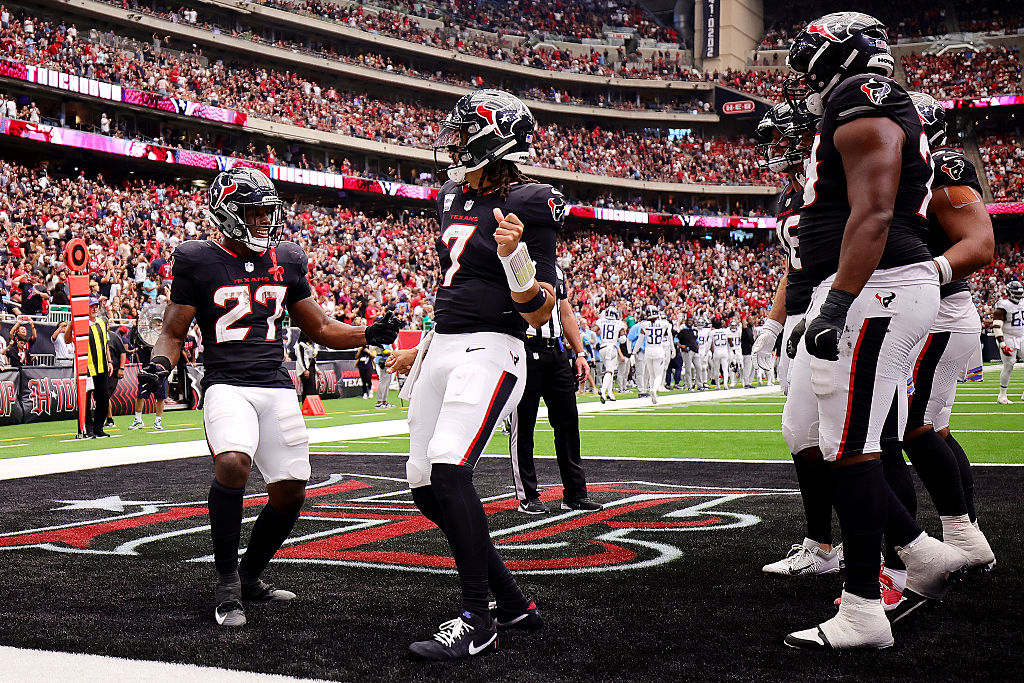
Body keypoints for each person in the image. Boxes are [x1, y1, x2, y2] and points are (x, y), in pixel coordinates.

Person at [137, 167, 400, 628]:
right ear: (227, 213)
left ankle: (251, 575)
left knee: (291, 490)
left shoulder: (287, 259)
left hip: (276, 384)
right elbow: (172, 331)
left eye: (267, 212)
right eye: (254, 212)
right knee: (233, 462)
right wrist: (160, 365)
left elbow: (320, 327)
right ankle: (226, 584)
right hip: (226, 382)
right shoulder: (198, 260)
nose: (265, 221)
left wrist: (366, 332)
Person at [781, 12, 969, 650]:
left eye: (808, 57)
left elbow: (877, 208)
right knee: (834, 437)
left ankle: (864, 610)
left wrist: (836, 301)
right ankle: (921, 553)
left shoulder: (866, 98)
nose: (802, 70)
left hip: (877, 288)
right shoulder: (857, 102)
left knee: (854, 449)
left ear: (835, 55)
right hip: (877, 287)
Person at [386, 90, 558, 660]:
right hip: (445, 346)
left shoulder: (533, 202)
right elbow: (455, 286)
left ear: (494, 138)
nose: (454, 142)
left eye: (463, 132)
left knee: (449, 470)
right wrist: (426, 345)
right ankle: (510, 601)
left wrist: (516, 262)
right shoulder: (453, 194)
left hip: (494, 348)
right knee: (422, 485)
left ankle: (476, 616)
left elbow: (540, 311)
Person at [895, 91, 995, 572]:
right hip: (938, 313)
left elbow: (979, 245)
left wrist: (922, 273)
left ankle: (958, 535)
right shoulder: (912, 172)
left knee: (909, 427)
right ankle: (968, 531)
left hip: (940, 313)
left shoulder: (945, 168)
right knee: (934, 428)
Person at [752, 101, 842, 578]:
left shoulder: (831, 176)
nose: (772, 149)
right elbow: (794, 266)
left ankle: (898, 548)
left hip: (835, 309)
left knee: (846, 437)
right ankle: (823, 544)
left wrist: (826, 310)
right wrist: (773, 324)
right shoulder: (791, 194)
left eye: (780, 138)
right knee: (802, 432)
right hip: (804, 313)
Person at [508, 265, 603, 514]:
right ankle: (527, 494)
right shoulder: (515, 260)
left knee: (568, 423)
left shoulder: (555, 269)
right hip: (525, 348)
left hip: (557, 350)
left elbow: (565, 312)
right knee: (524, 425)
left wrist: (580, 352)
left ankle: (575, 493)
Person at [65, 297, 111, 438]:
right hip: (86, 368)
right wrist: (72, 325)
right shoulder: (80, 324)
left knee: (103, 397)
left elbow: (105, 343)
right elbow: (67, 340)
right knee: (85, 399)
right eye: (92, 306)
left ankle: (98, 427)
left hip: (101, 366)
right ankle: (87, 428)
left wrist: (109, 361)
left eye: (96, 306)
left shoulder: (102, 323)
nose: (94, 308)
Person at [993, 280, 1023, 404]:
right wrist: (1002, 343)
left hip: (1022, 336)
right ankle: (1002, 395)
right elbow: (996, 326)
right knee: (1009, 366)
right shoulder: (1003, 305)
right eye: (1016, 293)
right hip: (1008, 337)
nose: (1019, 296)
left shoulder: (1022, 302)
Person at [640, 306, 673, 404]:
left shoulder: (643, 324)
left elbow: (640, 339)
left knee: (651, 374)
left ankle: (652, 391)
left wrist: (633, 351)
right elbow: (667, 334)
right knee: (659, 374)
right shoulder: (664, 324)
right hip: (658, 350)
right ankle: (654, 389)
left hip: (648, 350)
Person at [595, 306, 626, 401]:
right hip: (611, 348)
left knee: (610, 370)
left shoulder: (601, 321)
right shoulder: (619, 323)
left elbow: (594, 330)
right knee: (609, 371)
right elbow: (623, 339)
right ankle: (603, 390)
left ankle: (610, 393)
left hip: (602, 347)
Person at [105, 323, 128, 428]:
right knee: (103, 396)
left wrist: (121, 368)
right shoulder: (96, 336)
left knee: (105, 395)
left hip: (113, 371)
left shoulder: (114, 337)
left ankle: (109, 419)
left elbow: (122, 353)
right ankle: (108, 419)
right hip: (100, 370)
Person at [294, 331, 318, 402]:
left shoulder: (309, 344)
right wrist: (305, 370)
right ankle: (308, 405)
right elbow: (300, 358)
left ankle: (308, 406)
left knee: (311, 387)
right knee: (308, 387)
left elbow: (312, 358)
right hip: (305, 368)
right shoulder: (300, 345)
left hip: (311, 367)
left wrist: (316, 369)